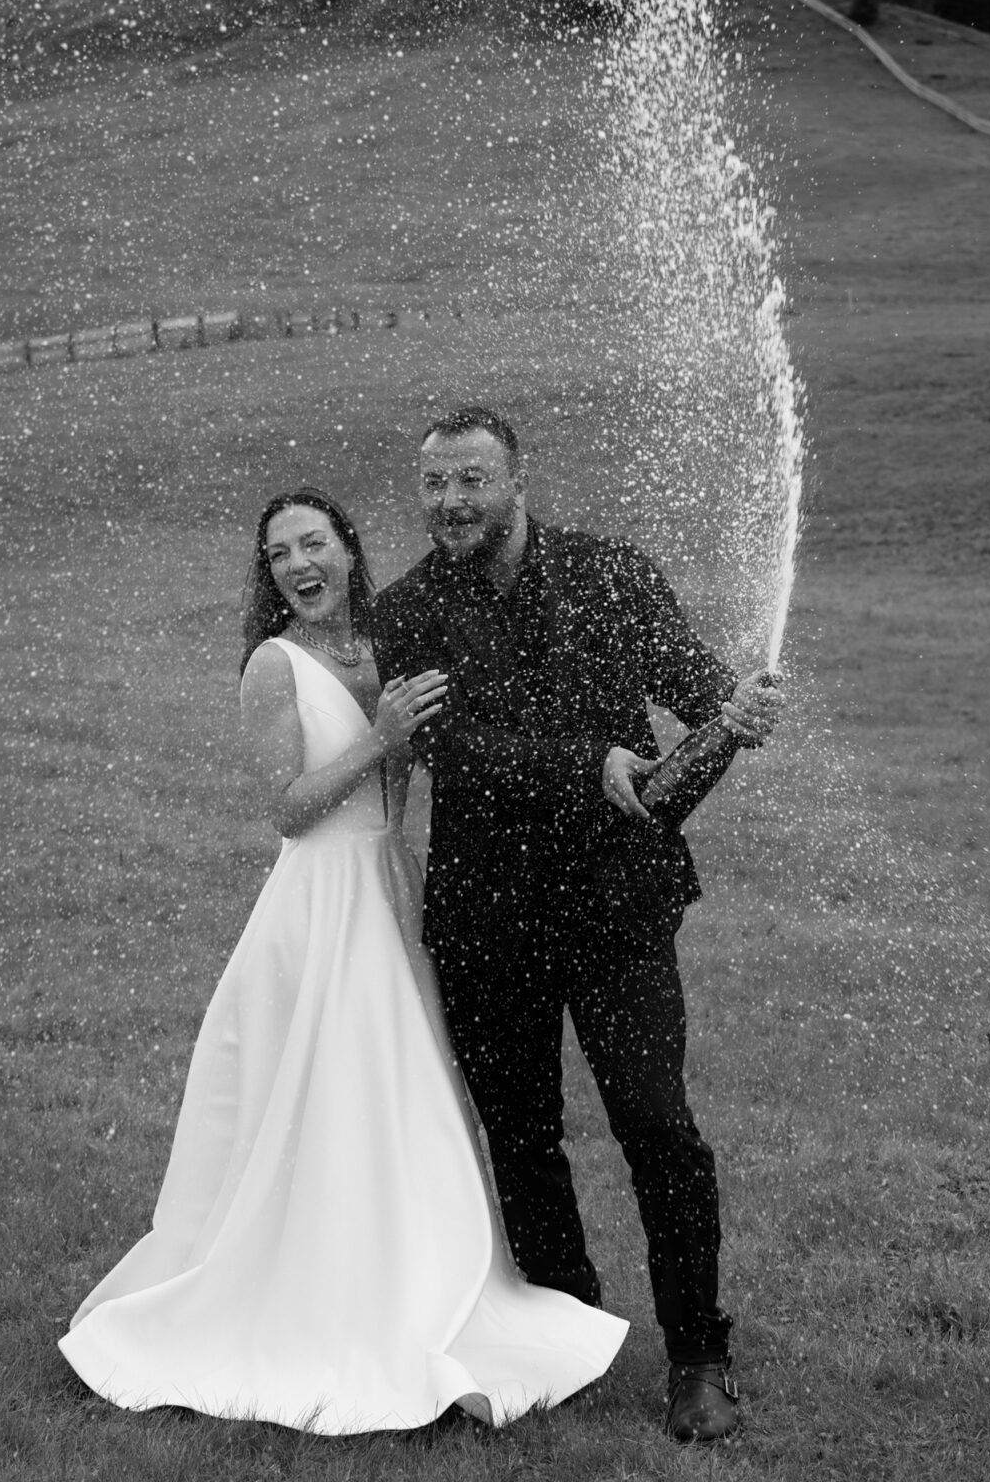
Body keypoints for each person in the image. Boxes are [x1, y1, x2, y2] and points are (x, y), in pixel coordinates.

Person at [59, 486, 627, 1434]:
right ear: (269, 573)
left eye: (312, 543)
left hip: (389, 890)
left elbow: (442, 756)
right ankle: (316, 1297)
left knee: (410, 1095)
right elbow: (286, 808)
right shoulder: (273, 667)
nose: (297, 565)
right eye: (279, 554)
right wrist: (380, 739)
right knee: (331, 1096)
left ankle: (426, 1280)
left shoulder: (387, 646)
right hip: (320, 906)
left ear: (348, 549)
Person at [371, 410, 783, 1444]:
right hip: (485, 918)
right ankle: (568, 1331)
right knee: (521, 1138)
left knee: (657, 1126)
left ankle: (696, 1352)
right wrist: (588, 764)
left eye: (471, 479)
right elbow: (451, 748)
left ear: (519, 480)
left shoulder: (610, 572)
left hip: (615, 909)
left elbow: (691, 693)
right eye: (434, 485)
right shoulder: (408, 610)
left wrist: (733, 714)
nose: (451, 502)